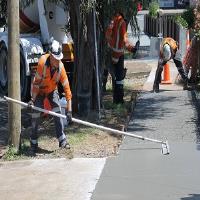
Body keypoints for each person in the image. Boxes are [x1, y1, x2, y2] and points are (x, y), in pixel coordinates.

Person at [28, 39, 72, 153]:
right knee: (35, 115)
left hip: (52, 91)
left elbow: (67, 90)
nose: (57, 61)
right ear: (51, 56)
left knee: (58, 112)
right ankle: (33, 142)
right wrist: (32, 100)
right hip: (40, 91)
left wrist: (69, 111)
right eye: (55, 59)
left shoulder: (61, 68)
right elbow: (36, 83)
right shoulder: (42, 62)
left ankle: (62, 140)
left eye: (59, 59)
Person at [104, 11, 140, 104]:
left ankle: (109, 95)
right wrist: (132, 48)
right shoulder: (122, 22)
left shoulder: (112, 19)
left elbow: (108, 35)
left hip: (111, 52)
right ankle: (119, 100)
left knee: (110, 75)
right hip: (119, 54)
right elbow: (124, 40)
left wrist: (110, 45)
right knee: (119, 78)